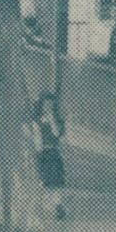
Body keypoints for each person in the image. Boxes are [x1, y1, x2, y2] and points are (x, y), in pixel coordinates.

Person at [29, 90, 67, 220]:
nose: (48, 107)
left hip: (53, 152)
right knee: (42, 182)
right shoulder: (35, 120)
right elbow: (36, 138)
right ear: (41, 104)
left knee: (56, 181)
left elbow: (57, 134)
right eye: (46, 104)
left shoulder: (57, 120)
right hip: (41, 153)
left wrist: (51, 120)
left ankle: (57, 206)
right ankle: (41, 209)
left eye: (51, 105)